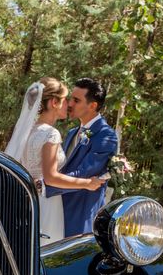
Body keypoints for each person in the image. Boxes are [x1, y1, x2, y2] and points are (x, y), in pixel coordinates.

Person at [5, 77, 105, 245]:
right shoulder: (51, 134)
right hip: (46, 204)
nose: (69, 104)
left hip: (25, 200)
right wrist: (87, 183)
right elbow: (51, 177)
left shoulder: (28, 131)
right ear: (54, 102)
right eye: (65, 100)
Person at [46, 77, 118, 236]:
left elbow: (83, 174)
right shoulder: (73, 133)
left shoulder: (106, 136)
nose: (70, 104)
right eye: (71, 98)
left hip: (79, 215)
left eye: (76, 100)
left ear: (93, 105)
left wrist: (46, 185)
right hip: (56, 210)